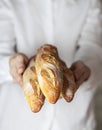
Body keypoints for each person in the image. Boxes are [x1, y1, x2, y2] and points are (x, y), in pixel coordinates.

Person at [0, 0, 102, 130]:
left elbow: (95, 50)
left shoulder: (89, 2)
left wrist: (87, 68)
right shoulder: (8, 2)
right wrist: (10, 65)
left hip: (76, 123)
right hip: (19, 123)